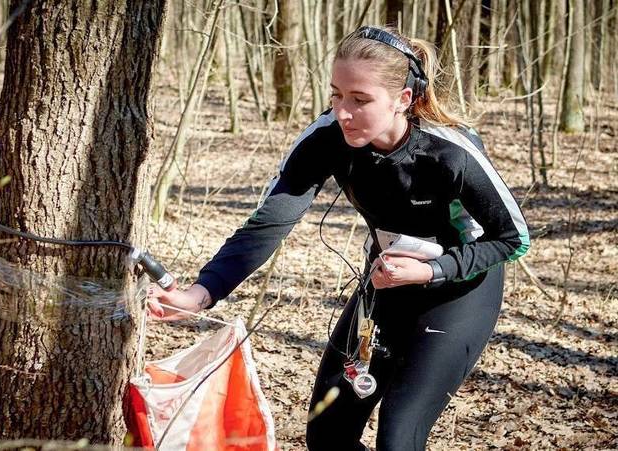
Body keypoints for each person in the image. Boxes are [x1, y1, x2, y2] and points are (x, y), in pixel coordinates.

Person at [149, 26, 530, 451]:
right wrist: (202, 294)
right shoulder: (327, 138)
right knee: (328, 435)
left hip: (460, 293)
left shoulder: (450, 151)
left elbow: (513, 238)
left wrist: (431, 269)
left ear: (403, 99)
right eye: (336, 95)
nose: (343, 112)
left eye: (360, 100)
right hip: (385, 286)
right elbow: (269, 223)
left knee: (398, 437)